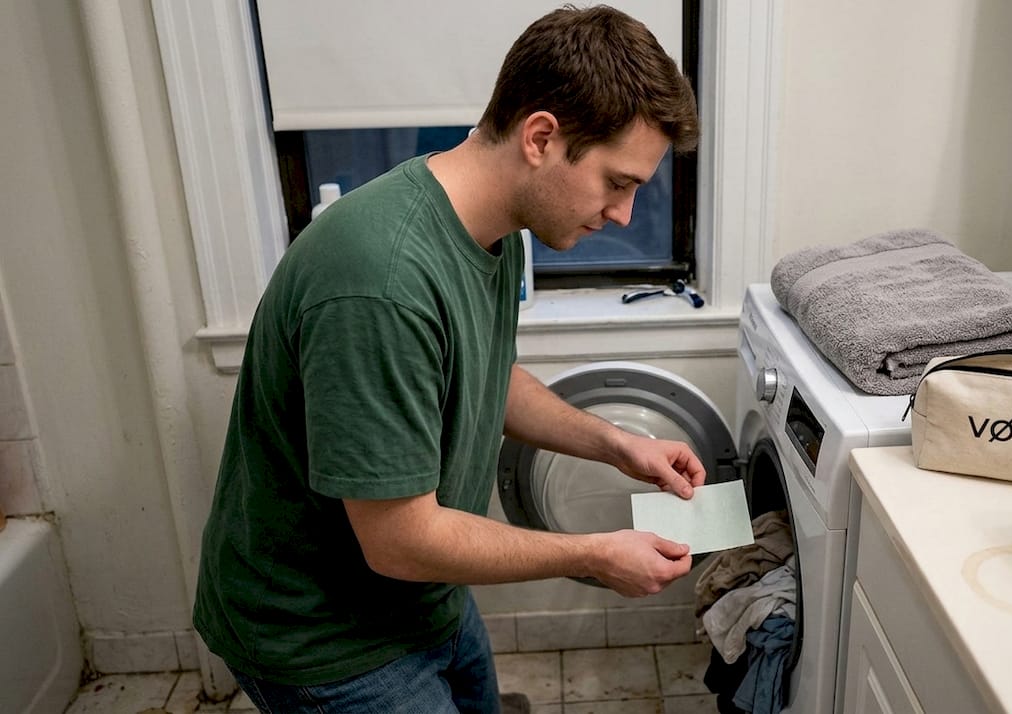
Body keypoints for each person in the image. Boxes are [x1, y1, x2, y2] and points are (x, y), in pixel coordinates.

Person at [192, 5, 703, 713]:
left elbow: (480, 377)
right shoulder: (380, 281)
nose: (624, 213)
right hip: (328, 641)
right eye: (617, 182)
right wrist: (593, 553)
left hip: (425, 598)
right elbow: (399, 540)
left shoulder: (492, 231)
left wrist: (616, 445)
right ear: (542, 137)